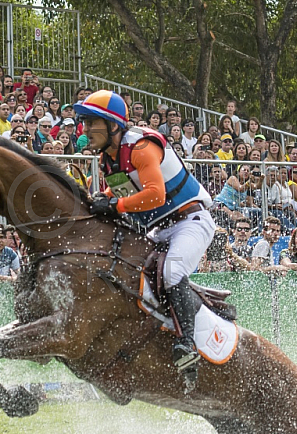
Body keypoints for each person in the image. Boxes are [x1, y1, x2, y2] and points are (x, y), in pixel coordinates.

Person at [77, 90, 214, 375]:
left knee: (173, 273)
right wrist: (103, 198)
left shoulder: (141, 147)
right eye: (85, 122)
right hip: (158, 231)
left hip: (190, 222)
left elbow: (155, 194)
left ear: (113, 125)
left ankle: (187, 344)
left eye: (92, 122)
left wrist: (115, 205)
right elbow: (124, 190)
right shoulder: (110, 158)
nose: (85, 129)